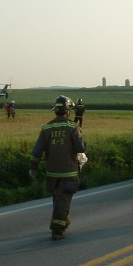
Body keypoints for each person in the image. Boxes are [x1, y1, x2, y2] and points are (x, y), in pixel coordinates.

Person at [29, 95, 87, 240]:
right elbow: (80, 148)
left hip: (52, 172)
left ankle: (63, 219)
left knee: (58, 199)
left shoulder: (47, 128)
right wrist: (83, 143)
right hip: (69, 171)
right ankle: (58, 229)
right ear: (68, 111)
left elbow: (37, 151)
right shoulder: (73, 127)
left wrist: (33, 168)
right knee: (64, 199)